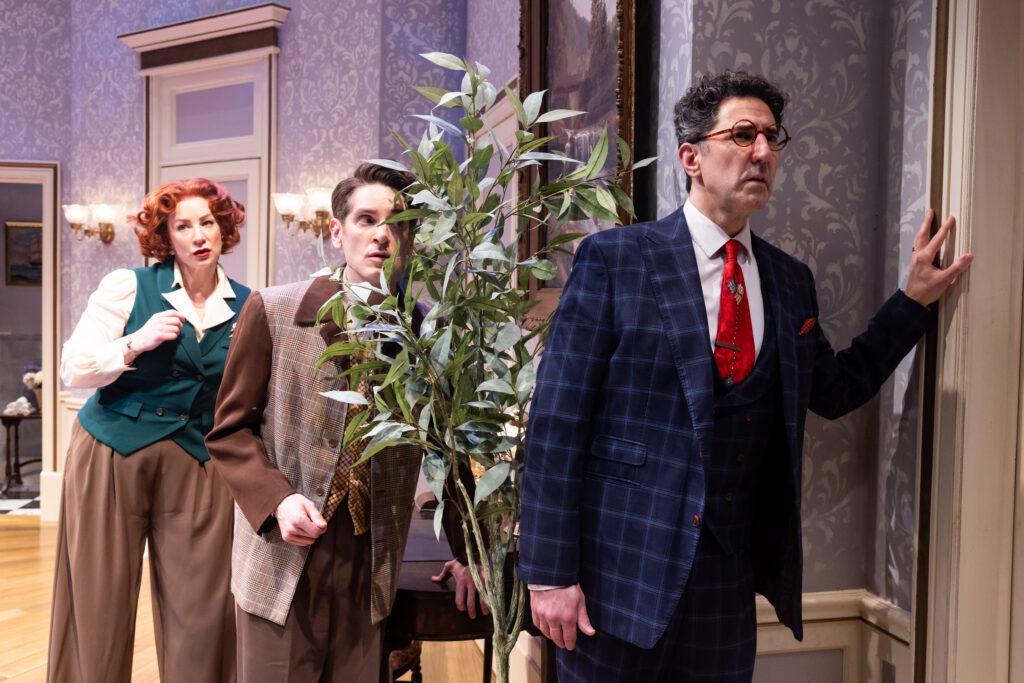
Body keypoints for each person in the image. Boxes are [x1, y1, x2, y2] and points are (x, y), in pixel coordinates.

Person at [518, 71, 974, 682]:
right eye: (741, 135)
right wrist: (549, 574)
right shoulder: (617, 261)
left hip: (726, 590)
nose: (763, 151)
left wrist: (911, 302)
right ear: (692, 158)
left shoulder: (789, 282)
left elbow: (836, 389)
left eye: (771, 137)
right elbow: (556, 425)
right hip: (616, 579)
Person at [205, 162, 483, 683]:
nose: (382, 234)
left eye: (398, 223)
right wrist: (278, 500)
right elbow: (229, 431)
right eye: (365, 219)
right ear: (337, 231)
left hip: (371, 558)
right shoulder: (275, 311)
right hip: (283, 552)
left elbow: (449, 455)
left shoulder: (428, 334)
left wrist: (471, 555)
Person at [48, 178, 250, 683]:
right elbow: (73, 369)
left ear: (223, 229)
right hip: (111, 452)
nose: (198, 234)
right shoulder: (129, 286)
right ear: (167, 236)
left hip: (199, 462)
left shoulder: (249, 305)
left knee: (203, 610)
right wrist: (135, 342)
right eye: (183, 225)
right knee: (97, 602)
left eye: (208, 222)